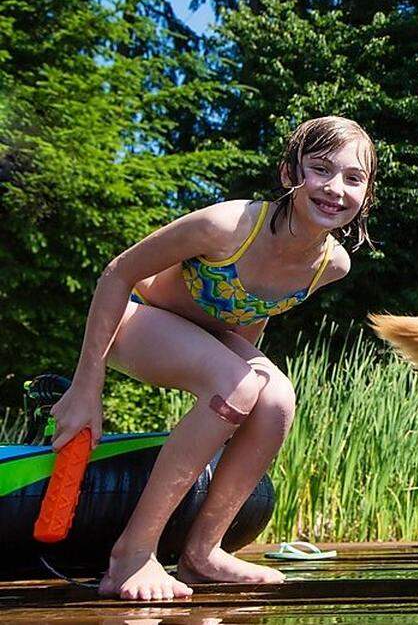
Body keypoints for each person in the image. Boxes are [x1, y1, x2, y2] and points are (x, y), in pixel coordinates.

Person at [48, 116, 378, 601]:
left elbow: (251, 316)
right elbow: (117, 274)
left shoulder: (331, 265)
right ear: (290, 173)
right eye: (321, 170)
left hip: (201, 334)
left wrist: (244, 395)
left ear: (366, 194)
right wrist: (86, 388)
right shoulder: (227, 226)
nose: (335, 188)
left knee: (278, 398)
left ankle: (203, 553)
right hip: (134, 318)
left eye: (353, 178)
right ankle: (131, 556)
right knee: (240, 384)